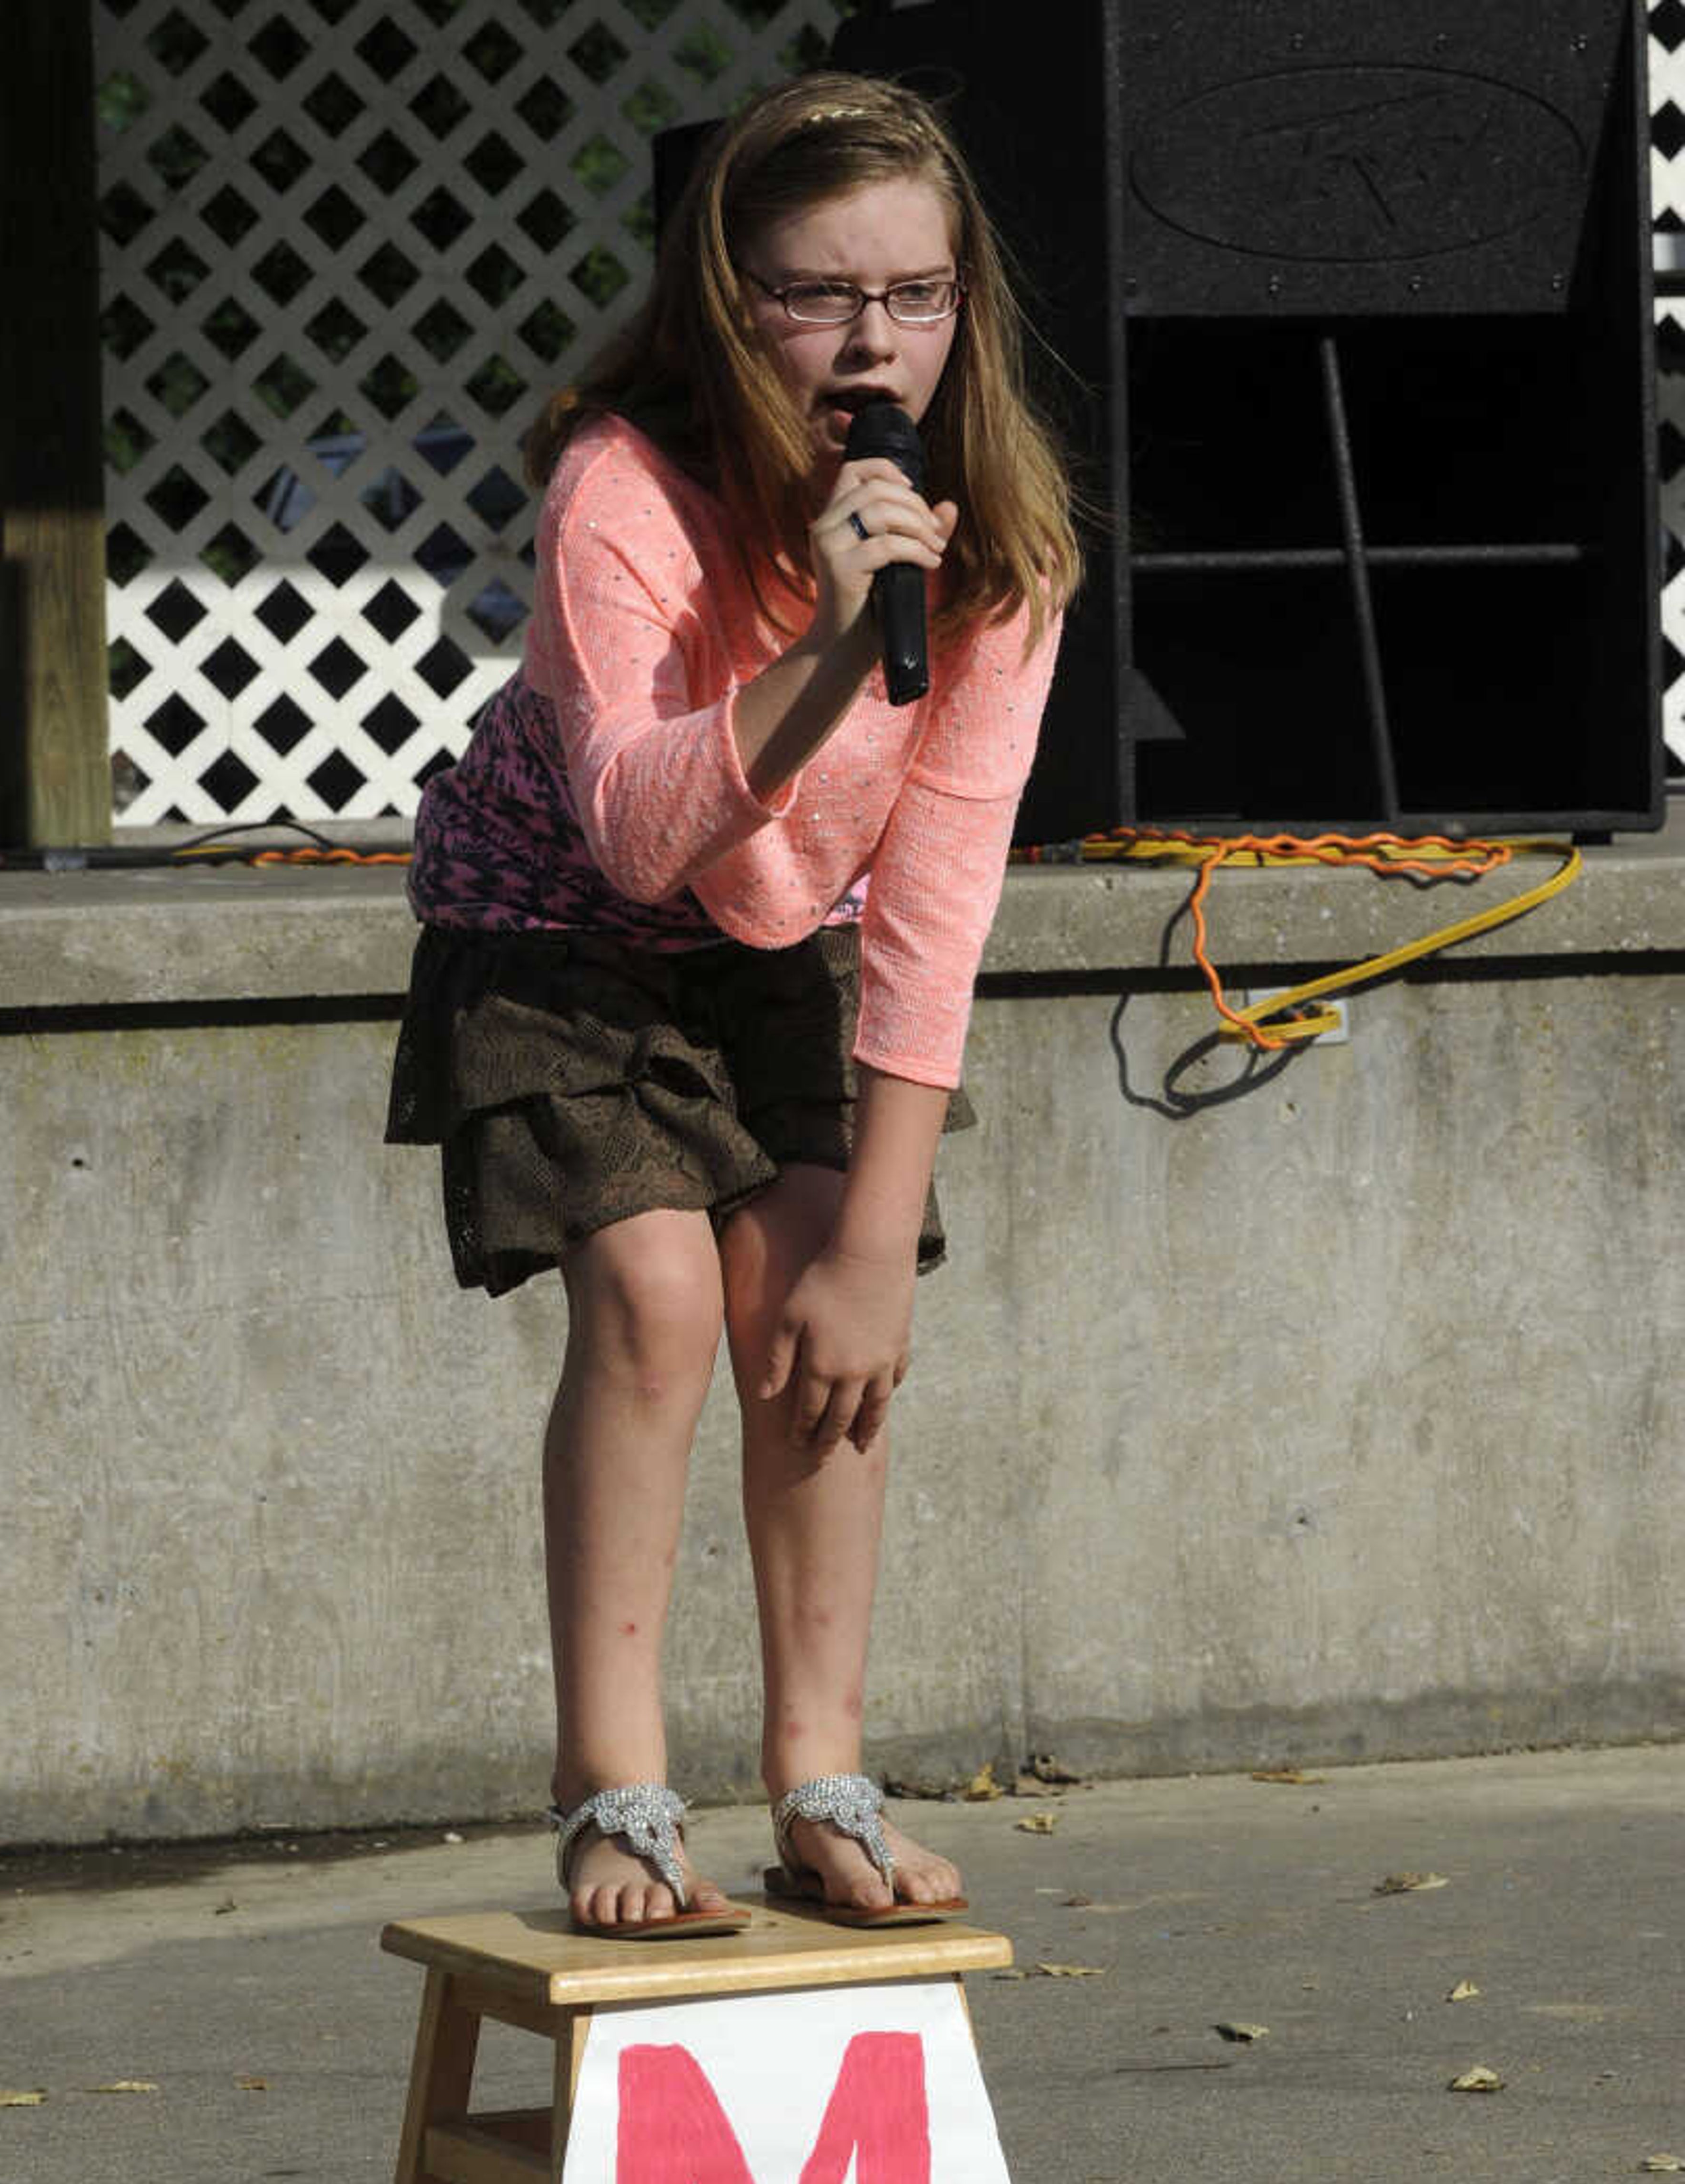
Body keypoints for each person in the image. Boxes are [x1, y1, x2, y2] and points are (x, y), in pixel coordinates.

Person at [385, 70, 1081, 1937]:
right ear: (725, 292)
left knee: (810, 1316)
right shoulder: (626, 486)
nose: (873, 343)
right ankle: (613, 1792)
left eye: (915, 297)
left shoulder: (997, 555)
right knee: (658, 1296)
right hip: (566, 926)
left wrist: (873, 1242)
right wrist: (833, 643)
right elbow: (633, 831)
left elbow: (934, 908)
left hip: (786, 941)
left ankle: (821, 1779)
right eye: (818, 295)